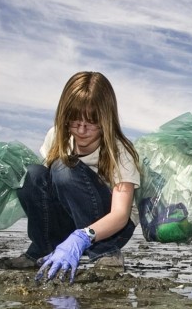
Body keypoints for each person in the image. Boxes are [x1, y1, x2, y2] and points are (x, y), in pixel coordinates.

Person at [15, 71, 141, 283]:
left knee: (64, 168)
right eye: (74, 121)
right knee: (31, 174)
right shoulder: (56, 136)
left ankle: (105, 252)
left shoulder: (119, 152)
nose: (81, 130)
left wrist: (82, 237)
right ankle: (43, 249)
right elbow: (43, 189)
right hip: (72, 219)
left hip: (111, 229)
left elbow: (120, 215)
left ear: (106, 119)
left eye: (91, 122)